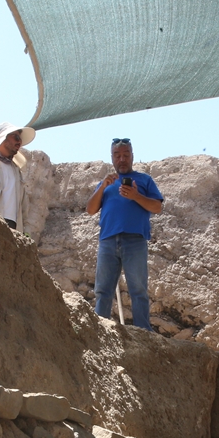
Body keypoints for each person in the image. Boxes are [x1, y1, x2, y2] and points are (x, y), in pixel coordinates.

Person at [85, 138, 163, 331]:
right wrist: (103, 186)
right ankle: (99, 330)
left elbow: (157, 207)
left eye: (125, 155)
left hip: (134, 240)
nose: (122, 159)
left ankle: (143, 332)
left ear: (132, 156)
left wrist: (136, 196)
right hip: (108, 241)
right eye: (117, 155)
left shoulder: (144, 180)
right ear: (112, 158)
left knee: (138, 289)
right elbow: (90, 209)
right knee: (103, 289)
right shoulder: (106, 183)